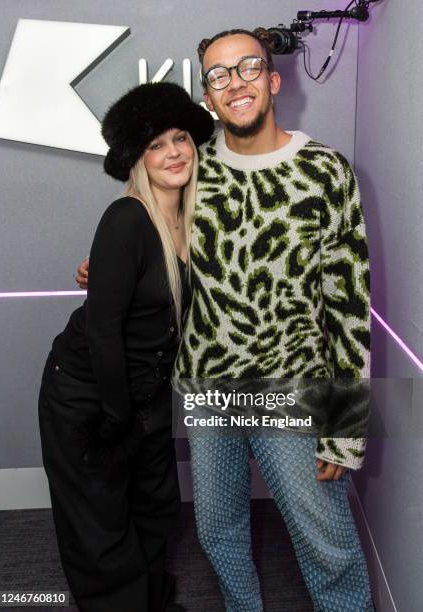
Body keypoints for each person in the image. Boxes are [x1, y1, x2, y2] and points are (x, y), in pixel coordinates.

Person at [76, 29, 374, 611]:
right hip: (207, 382)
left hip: (288, 387)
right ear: (208, 98)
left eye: (247, 68)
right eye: (218, 75)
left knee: (326, 543)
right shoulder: (193, 164)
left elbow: (349, 307)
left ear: (273, 78)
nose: (234, 82)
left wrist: (347, 429)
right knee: (217, 529)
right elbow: (150, 232)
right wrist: (107, 268)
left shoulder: (326, 173)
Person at [39, 81, 214, 612]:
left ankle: (149, 599)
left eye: (180, 138)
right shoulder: (126, 219)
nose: (174, 152)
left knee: (156, 505)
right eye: (156, 145)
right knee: (101, 521)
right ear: (138, 160)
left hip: (145, 392)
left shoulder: (196, 216)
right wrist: (118, 419)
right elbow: (102, 332)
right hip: (91, 395)